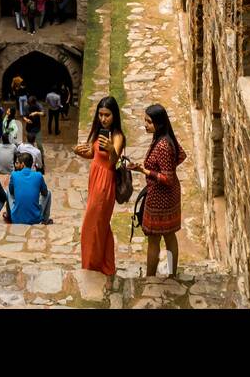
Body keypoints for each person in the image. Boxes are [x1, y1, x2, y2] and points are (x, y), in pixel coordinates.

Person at [127, 104, 188, 277]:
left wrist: (145, 171)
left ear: (159, 123)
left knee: (154, 239)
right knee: (169, 236)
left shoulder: (162, 145)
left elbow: (167, 178)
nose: (145, 125)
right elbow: (180, 155)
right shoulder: (164, 138)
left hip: (161, 199)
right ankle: (171, 274)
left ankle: (151, 277)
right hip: (166, 196)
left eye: (149, 122)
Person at [74, 96, 125, 276]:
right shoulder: (100, 132)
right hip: (94, 180)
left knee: (92, 224)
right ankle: (106, 264)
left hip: (104, 183)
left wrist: (111, 149)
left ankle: (92, 264)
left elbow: (113, 161)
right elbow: (94, 154)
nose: (103, 119)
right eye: (100, 114)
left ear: (114, 115)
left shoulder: (117, 136)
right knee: (101, 225)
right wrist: (79, 152)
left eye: (107, 115)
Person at [7, 152, 52, 225]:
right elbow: (45, 193)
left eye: (18, 163)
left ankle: (9, 216)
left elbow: (11, 191)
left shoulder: (14, 175)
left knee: (8, 192)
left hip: (16, 219)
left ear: (23, 164)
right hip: (35, 219)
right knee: (49, 193)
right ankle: (45, 220)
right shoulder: (38, 175)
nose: (16, 165)